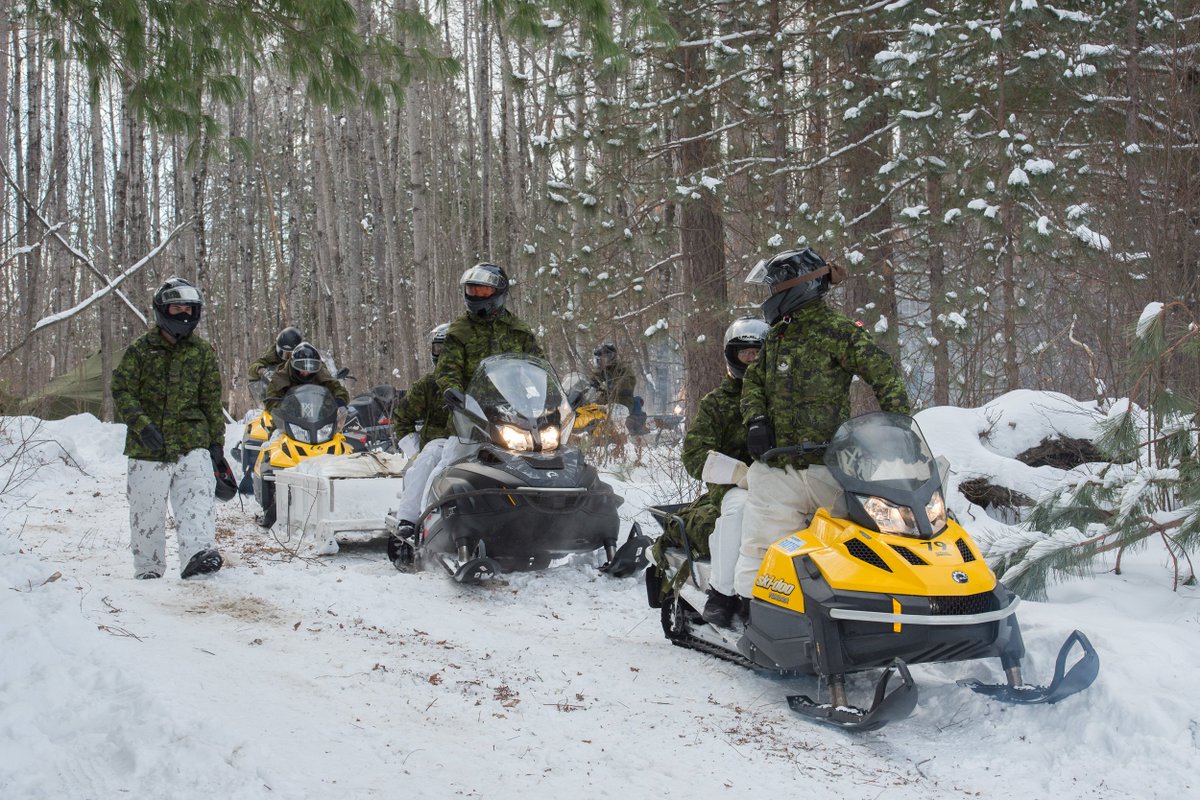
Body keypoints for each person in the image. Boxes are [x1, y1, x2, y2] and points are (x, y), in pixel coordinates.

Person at [732, 248, 911, 610]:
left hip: (832, 467)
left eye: (775, 288)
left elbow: (886, 376)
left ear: (796, 288)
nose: (771, 297)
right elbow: (753, 384)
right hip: (780, 466)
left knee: (856, 548)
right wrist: (756, 420)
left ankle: (859, 614)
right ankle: (757, 615)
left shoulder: (839, 333)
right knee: (762, 547)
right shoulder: (777, 337)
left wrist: (898, 431)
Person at [388, 263, 542, 564]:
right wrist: (452, 390)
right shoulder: (460, 331)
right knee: (445, 462)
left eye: (483, 289)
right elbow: (448, 369)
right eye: (472, 290)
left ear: (499, 292)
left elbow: (535, 366)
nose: (476, 295)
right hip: (470, 419)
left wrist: (546, 396)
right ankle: (418, 523)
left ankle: (545, 522)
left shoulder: (519, 331)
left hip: (514, 417)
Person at [111, 277, 226, 580]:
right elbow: (121, 390)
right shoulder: (140, 350)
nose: (183, 313)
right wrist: (142, 425)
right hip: (148, 447)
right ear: (163, 310)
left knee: (198, 503)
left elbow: (211, 400)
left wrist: (216, 443)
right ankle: (149, 568)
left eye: (189, 307)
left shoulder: (202, 352)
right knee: (146, 512)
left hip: (193, 443)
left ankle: (197, 554)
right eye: (176, 307)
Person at [675, 316, 770, 627]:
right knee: (741, 510)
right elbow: (693, 454)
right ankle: (723, 593)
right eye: (746, 354)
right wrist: (737, 473)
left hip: (783, 481)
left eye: (758, 352)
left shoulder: (784, 401)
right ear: (733, 357)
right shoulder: (717, 402)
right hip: (734, 486)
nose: (752, 359)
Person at [392, 323, 452, 456]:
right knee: (423, 469)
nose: (444, 355)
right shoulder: (427, 385)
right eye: (439, 349)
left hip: (474, 450)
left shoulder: (478, 383)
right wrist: (416, 452)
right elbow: (402, 417)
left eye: (450, 349)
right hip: (436, 452)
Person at [263, 341, 349, 414]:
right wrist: (286, 408)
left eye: (311, 367)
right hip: (288, 422)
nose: (306, 371)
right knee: (275, 433)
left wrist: (340, 400)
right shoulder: (279, 378)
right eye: (301, 366)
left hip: (319, 420)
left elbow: (337, 388)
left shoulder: (322, 375)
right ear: (293, 364)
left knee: (339, 432)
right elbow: (270, 402)